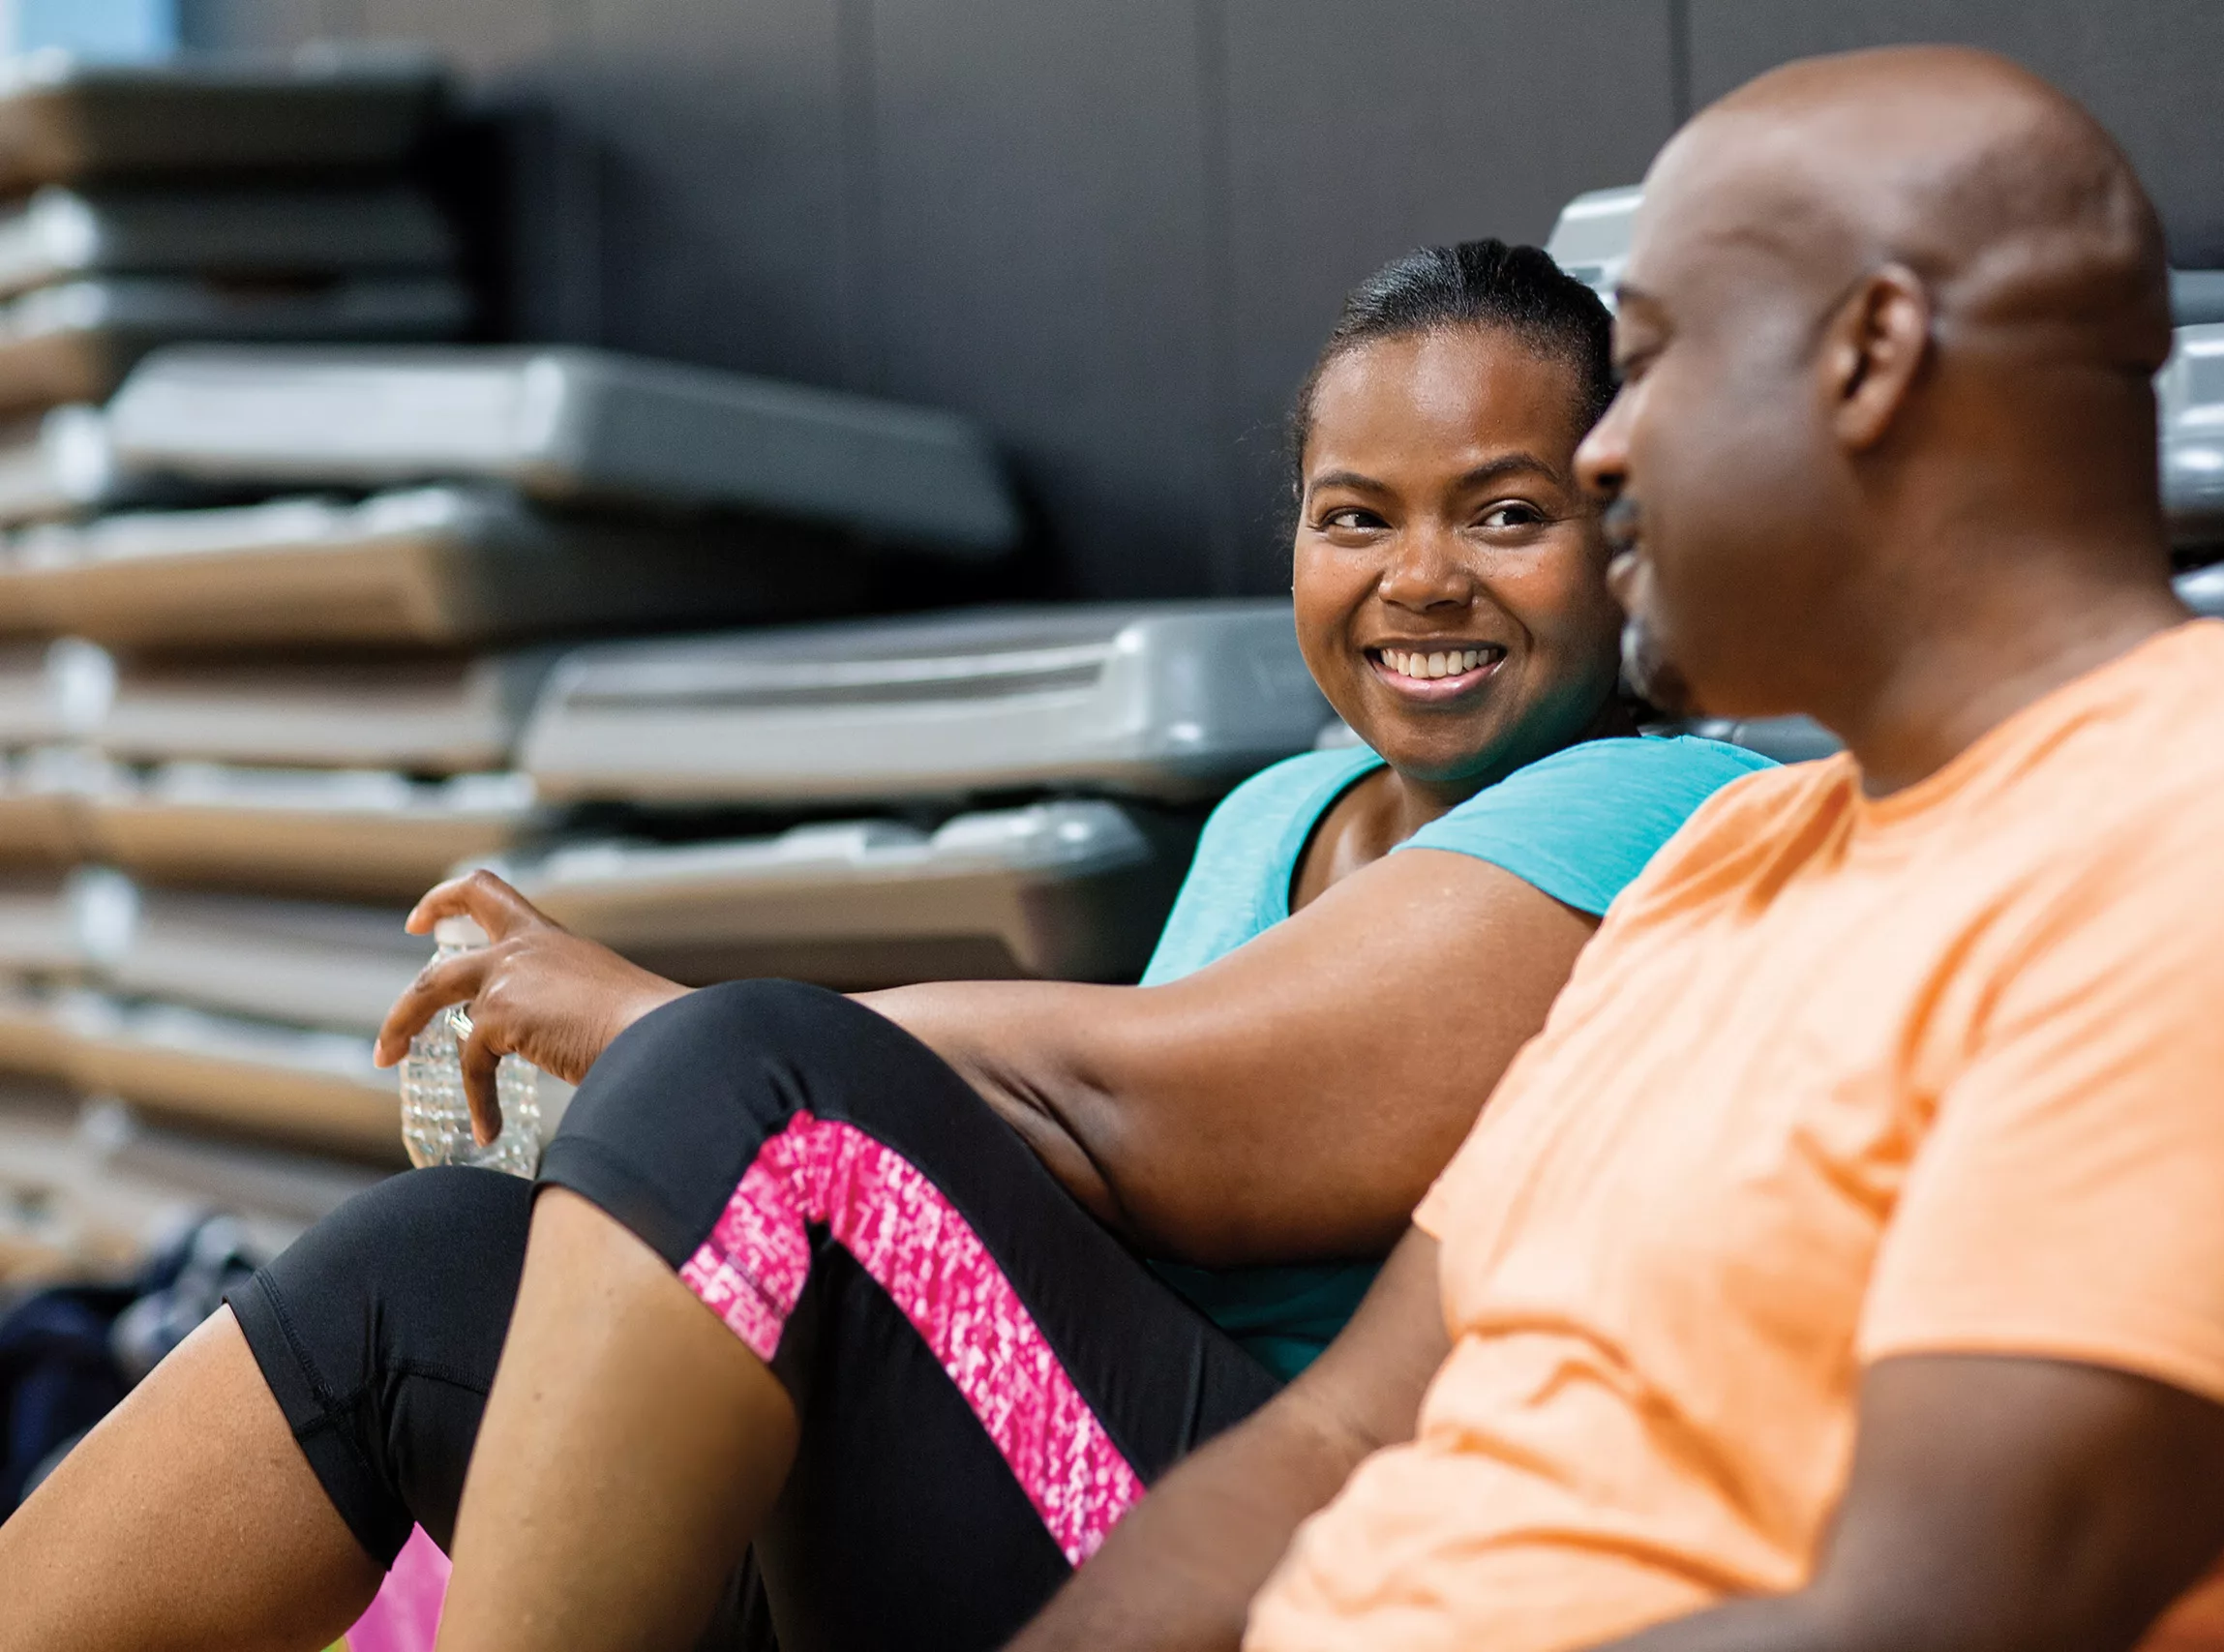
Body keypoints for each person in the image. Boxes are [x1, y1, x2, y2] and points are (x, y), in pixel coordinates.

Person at [0, 242, 1771, 1652]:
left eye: (1507, 513)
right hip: (1019, 1467)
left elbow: (1158, 1128)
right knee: (429, 1268)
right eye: (1356, 515)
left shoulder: (1645, 811)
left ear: (1622, 547)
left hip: (1232, 1556)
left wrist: (651, 1035)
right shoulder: (1274, 816)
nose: (1421, 577)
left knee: (754, 1086)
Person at [992, 46, 2224, 1652]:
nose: (1608, 455)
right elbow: (1330, 1441)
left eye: (1654, 366)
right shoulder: (1726, 859)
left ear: (1871, 357)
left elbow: (1932, 1618)